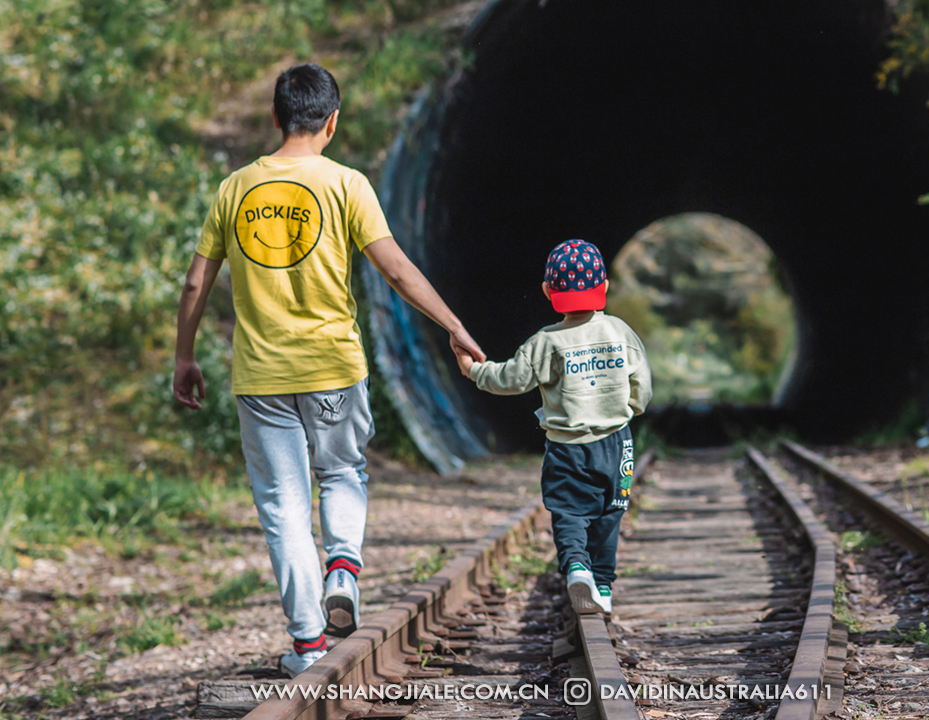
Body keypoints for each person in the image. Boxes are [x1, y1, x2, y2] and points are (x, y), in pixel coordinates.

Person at [172, 63, 485, 677]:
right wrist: (454, 325)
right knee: (342, 471)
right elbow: (395, 269)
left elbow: (195, 279)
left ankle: (308, 643)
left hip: (262, 377)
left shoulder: (235, 188)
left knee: (284, 507)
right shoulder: (347, 184)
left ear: (275, 117)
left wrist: (184, 356)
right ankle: (343, 569)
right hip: (334, 367)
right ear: (332, 121)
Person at [454, 240, 651, 614]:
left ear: (548, 291)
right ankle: (604, 588)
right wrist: (630, 408)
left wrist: (473, 370)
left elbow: (510, 379)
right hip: (617, 445)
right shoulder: (620, 333)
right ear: (604, 286)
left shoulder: (546, 342)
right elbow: (642, 387)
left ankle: (578, 567)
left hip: (566, 448)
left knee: (570, 512)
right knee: (611, 513)